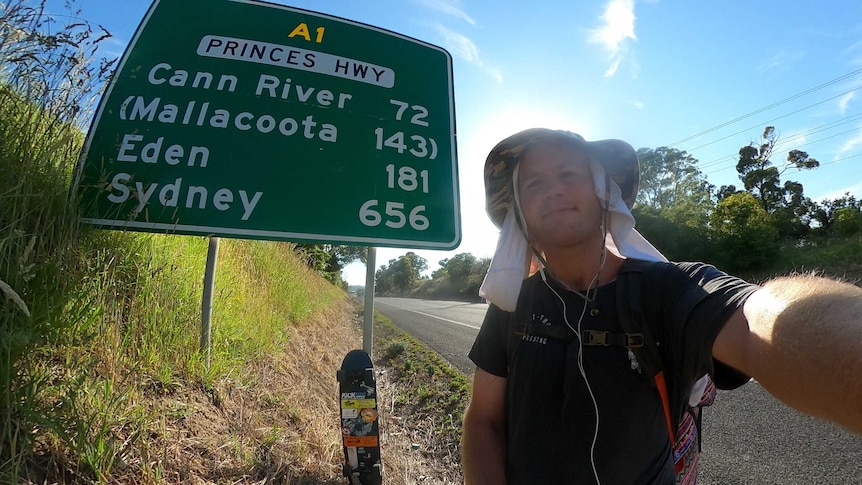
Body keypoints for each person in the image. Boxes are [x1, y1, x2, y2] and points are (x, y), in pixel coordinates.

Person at [461, 128, 862, 485]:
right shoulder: (510, 306)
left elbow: (758, 319)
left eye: (569, 174)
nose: (553, 189)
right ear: (520, 213)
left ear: (604, 193)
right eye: (534, 183)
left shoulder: (669, 290)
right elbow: (483, 419)